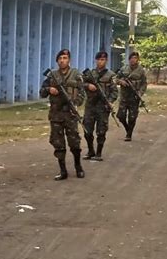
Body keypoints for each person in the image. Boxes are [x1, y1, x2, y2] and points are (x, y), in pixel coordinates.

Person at [40, 49, 86, 180]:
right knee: (58, 143)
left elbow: (82, 93)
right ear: (57, 61)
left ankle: (78, 167)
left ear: (69, 60)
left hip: (70, 114)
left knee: (74, 143)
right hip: (56, 115)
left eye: (65, 58)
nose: (62, 60)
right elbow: (42, 92)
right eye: (60, 58)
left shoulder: (76, 74)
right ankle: (63, 170)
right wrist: (49, 89)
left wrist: (75, 104)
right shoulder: (52, 76)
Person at [82, 51, 118, 161]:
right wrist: (88, 85)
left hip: (103, 106)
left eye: (102, 60)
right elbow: (80, 84)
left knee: (101, 131)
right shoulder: (89, 74)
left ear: (106, 61)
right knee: (87, 130)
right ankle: (90, 150)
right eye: (98, 59)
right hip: (90, 105)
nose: (100, 62)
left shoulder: (111, 75)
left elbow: (114, 92)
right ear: (95, 60)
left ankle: (98, 153)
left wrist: (110, 101)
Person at [116, 51, 147, 141]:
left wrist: (140, 93)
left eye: (135, 58)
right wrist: (121, 82)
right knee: (120, 116)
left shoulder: (141, 70)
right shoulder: (124, 69)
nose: (133, 60)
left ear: (138, 60)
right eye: (132, 58)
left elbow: (144, 84)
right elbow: (115, 78)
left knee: (132, 117)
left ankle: (129, 134)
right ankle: (127, 128)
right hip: (124, 96)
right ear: (129, 59)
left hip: (134, 96)